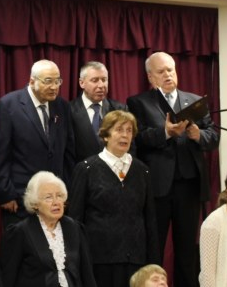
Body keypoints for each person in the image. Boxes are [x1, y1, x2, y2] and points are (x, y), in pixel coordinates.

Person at [127, 51, 220, 287]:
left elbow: (213, 136)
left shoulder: (194, 101)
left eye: (171, 70)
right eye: (161, 72)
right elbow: (138, 139)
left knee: (187, 249)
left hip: (189, 186)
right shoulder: (138, 102)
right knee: (154, 247)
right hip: (157, 187)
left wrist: (198, 135)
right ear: (150, 77)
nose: (168, 75)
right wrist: (166, 133)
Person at [68, 110, 159, 287]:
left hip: (135, 259)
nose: (125, 135)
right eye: (119, 129)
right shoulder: (86, 169)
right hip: (99, 260)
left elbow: (150, 219)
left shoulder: (142, 170)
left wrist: (153, 262)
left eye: (129, 130)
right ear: (106, 135)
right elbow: (75, 220)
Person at [0, 59, 75, 228]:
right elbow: (0, 154)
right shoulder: (9, 105)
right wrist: (6, 194)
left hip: (54, 199)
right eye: (48, 81)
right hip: (20, 198)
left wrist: (65, 193)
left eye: (57, 81)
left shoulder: (62, 106)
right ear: (32, 81)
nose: (54, 87)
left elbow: (68, 153)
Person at [0, 171, 95, 287]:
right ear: (35, 204)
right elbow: (8, 277)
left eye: (59, 196)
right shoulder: (20, 232)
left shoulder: (75, 228)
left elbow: (87, 275)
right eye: (48, 197)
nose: (56, 202)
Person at [70, 61, 128, 160]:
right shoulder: (68, 110)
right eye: (95, 80)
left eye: (104, 80)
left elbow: (129, 145)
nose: (101, 85)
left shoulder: (119, 109)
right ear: (81, 83)